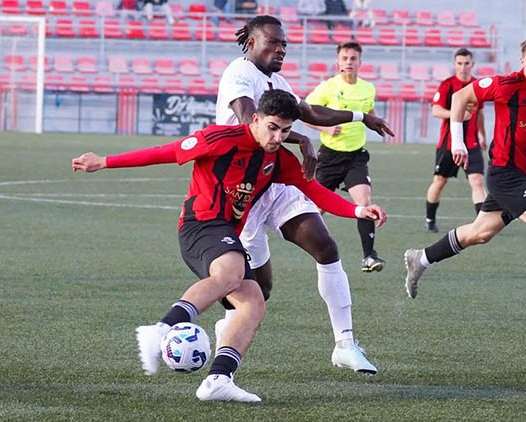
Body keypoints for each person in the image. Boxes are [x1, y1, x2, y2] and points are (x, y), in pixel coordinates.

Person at [71, 89, 387, 403]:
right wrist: (104, 162)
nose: (278, 137)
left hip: (226, 232)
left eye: (286, 130)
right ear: (256, 118)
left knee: (253, 302)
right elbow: (164, 152)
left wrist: (359, 210)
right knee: (232, 274)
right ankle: (160, 329)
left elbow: (317, 192)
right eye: (273, 127)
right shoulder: (219, 139)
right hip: (200, 225)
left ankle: (218, 379)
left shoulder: (279, 160)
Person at [215, 15, 393, 375]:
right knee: (258, 291)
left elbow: (309, 111)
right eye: (273, 42)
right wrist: (301, 138)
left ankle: (345, 344)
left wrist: (362, 117)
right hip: (241, 192)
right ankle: (225, 334)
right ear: (251, 43)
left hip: (273, 182)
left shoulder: (275, 80)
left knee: (325, 245)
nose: (280, 48)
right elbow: (251, 121)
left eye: (284, 44)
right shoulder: (239, 73)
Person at [404, 37, 526, 320]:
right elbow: (460, 97)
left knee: (480, 233)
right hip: (505, 174)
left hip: (524, 174)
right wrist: (458, 142)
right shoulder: (506, 84)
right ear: (521, 61)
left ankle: (421, 258)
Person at [305, 41, 385, 273]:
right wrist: (325, 129)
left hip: (356, 156)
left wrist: (377, 124)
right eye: (345, 58)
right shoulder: (327, 87)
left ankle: (369, 256)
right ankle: (314, 248)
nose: (349, 62)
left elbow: (369, 114)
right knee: (315, 209)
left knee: (363, 202)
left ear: (361, 62)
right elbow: (305, 113)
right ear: (337, 62)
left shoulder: (368, 88)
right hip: (330, 156)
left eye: (353, 58)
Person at [425, 48, 487, 233]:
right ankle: (430, 219)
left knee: (477, 181)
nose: (463, 67)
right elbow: (436, 110)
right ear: (454, 64)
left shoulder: (478, 85)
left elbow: (480, 112)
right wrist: (457, 113)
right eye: (459, 63)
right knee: (440, 182)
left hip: (472, 143)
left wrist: (483, 134)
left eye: (466, 63)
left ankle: (481, 223)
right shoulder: (447, 85)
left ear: (472, 64)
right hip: (448, 145)